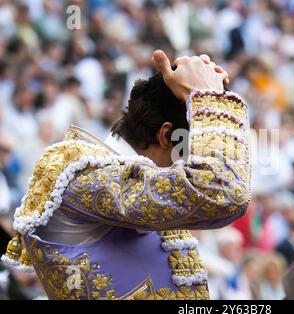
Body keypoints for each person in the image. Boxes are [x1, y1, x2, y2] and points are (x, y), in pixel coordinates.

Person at [1, 50, 251, 300]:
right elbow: (225, 192)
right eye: (191, 152)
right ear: (166, 136)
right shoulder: (79, 173)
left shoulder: (143, 188)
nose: (189, 166)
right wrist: (209, 100)